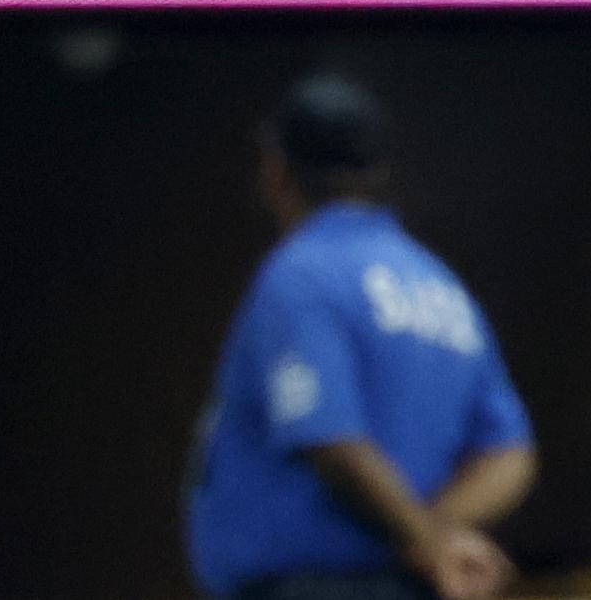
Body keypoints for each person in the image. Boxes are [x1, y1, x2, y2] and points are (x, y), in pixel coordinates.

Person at [187, 76, 538, 600]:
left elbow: (333, 443)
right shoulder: (437, 285)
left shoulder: (302, 275)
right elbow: (511, 455)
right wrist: (430, 534)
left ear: (276, 169)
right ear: (376, 171)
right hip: (405, 584)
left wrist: (425, 538)